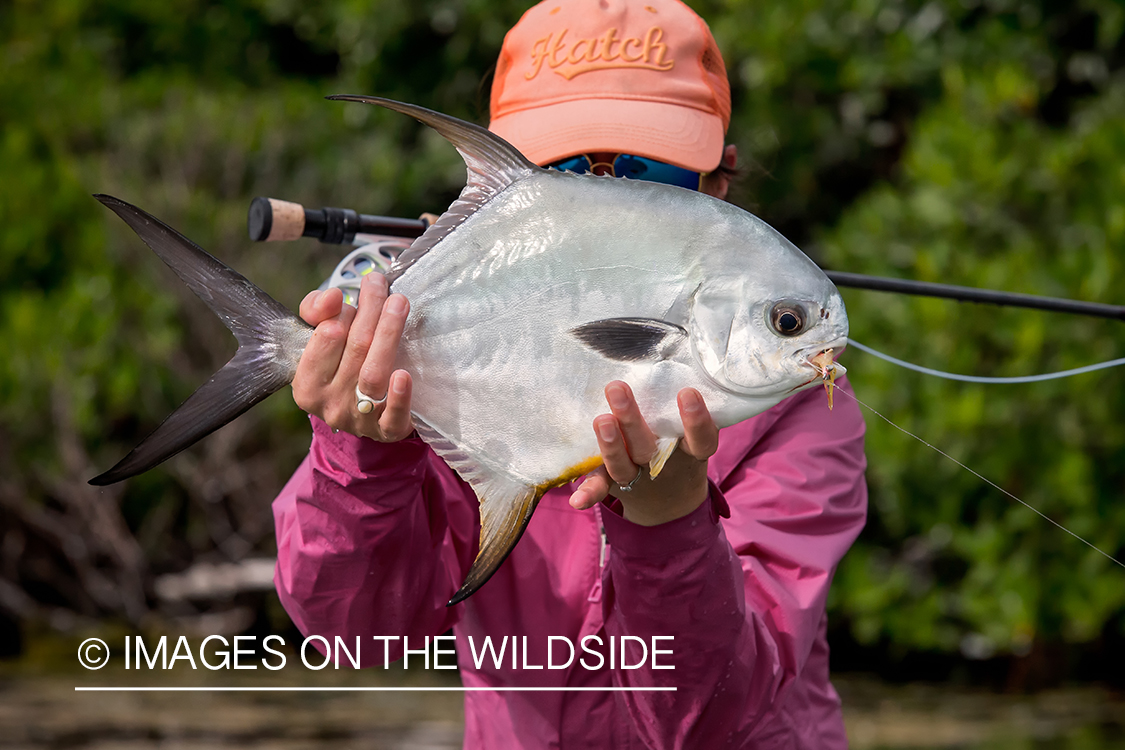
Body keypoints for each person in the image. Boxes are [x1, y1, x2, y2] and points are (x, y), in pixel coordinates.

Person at [272, 0, 867, 747]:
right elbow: (357, 639)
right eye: (566, 173)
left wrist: (671, 524)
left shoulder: (804, 409)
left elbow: (710, 719)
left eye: (645, 170)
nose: (606, 191)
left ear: (716, 183)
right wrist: (360, 459)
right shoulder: (434, 375)